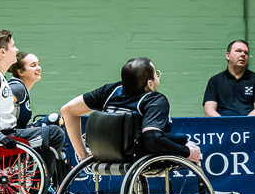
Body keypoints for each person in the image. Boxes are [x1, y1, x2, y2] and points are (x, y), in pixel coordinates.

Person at [61, 58, 201, 163]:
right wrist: (186, 152)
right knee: (190, 147)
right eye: (156, 74)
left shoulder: (110, 90)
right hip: (136, 155)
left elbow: (67, 110)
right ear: (150, 84)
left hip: (103, 152)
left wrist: (83, 154)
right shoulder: (155, 99)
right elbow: (152, 139)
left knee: (182, 139)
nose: (158, 77)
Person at [0, 30, 66, 162]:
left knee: (52, 129)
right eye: (13, 46)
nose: (17, 49)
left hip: (9, 134)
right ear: (2, 52)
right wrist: (0, 137)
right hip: (3, 139)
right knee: (55, 133)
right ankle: (43, 181)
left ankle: (43, 179)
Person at [202, 40, 255, 117]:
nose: (243, 54)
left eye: (246, 53)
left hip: (249, 125)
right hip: (222, 125)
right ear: (228, 55)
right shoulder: (215, 80)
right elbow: (209, 111)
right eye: (238, 51)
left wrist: (244, 123)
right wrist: (225, 125)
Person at [8, 51, 41, 128]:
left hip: (18, 132)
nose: (39, 68)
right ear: (21, 72)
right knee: (55, 121)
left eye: (38, 64)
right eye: (33, 65)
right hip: (9, 135)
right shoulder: (17, 88)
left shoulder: (21, 88)